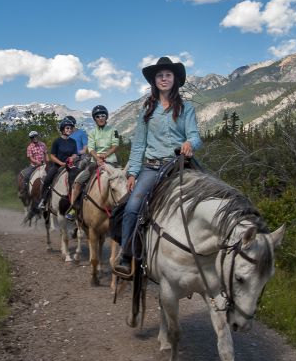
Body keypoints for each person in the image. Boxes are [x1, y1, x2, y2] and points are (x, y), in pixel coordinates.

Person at [113, 56, 202, 275]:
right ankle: (126, 255)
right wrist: (133, 172)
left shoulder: (186, 108)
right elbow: (138, 145)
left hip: (179, 164)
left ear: (175, 79)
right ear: (155, 81)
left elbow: (195, 136)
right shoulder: (146, 111)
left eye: (168, 75)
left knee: (209, 198)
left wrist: (190, 143)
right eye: (160, 76)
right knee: (132, 206)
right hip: (152, 168)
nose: (163, 79)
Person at [65, 105, 120, 220]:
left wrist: (105, 155)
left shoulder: (113, 130)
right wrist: (98, 158)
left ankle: (124, 209)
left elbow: (115, 145)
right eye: (98, 116)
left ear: (106, 117)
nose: (101, 118)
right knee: (78, 181)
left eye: (103, 115)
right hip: (95, 162)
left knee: (123, 181)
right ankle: (74, 209)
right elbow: (90, 148)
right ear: (95, 118)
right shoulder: (92, 133)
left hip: (111, 162)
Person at [37, 118, 80, 210]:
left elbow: (75, 153)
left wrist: (72, 158)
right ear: (63, 129)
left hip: (70, 166)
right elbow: (52, 156)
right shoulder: (57, 141)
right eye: (67, 128)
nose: (69, 130)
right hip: (57, 166)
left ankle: (77, 202)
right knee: (47, 180)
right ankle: (43, 200)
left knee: (80, 179)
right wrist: (61, 163)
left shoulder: (73, 142)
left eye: (70, 128)